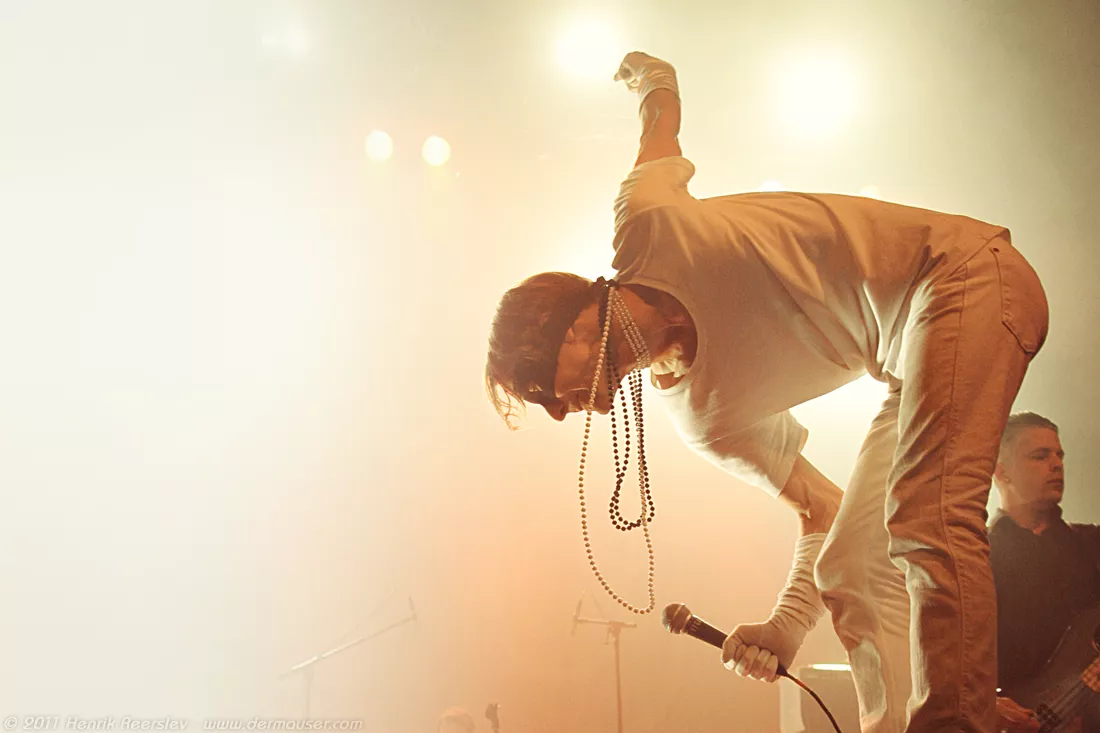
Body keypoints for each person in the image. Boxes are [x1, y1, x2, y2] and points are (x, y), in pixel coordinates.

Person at [483, 50, 1049, 733]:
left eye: (542, 387)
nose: (557, 410)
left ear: (565, 325)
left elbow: (660, 126)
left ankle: (956, 719)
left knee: (926, 514)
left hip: (964, 274)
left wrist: (652, 80)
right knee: (851, 562)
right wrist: (786, 625)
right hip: (910, 356)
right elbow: (820, 508)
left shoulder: (647, 225)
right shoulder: (701, 418)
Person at [989, 413, 1100, 732]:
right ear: (1001, 472)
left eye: (1059, 455)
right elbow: (952, 652)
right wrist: (986, 705)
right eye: (1040, 456)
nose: (1056, 464)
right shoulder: (978, 554)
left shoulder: (1091, 544)